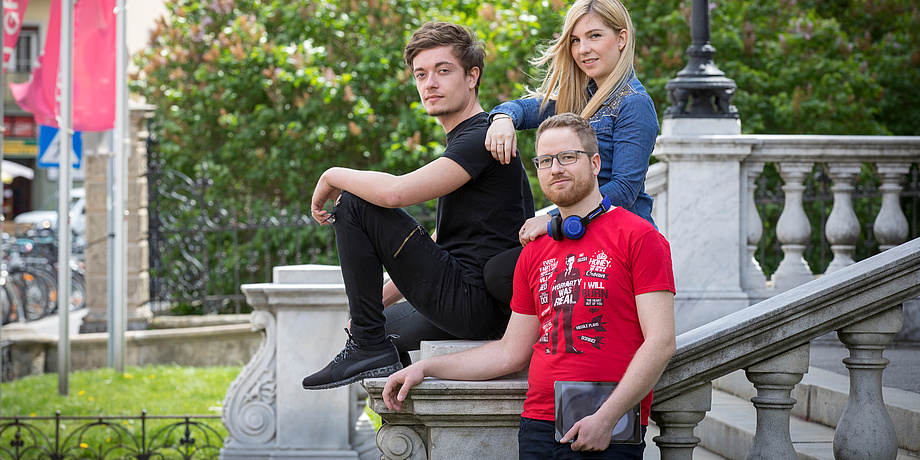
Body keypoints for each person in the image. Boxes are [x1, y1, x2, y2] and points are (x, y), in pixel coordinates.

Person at [383, 113, 676, 459]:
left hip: (606, 425)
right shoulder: (534, 252)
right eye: (546, 161)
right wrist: (425, 368)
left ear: (595, 163)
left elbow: (661, 342)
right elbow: (510, 352)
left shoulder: (640, 237)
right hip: (536, 425)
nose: (556, 169)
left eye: (568, 157)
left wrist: (607, 417)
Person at [302, 22, 535, 390]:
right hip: (463, 296)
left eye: (443, 71)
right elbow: (446, 236)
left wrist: (332, 175)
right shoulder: (468, 138)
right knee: (378, 327)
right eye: (421, 74)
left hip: (475, 300)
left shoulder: (481, 138)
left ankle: (366, 345)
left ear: (472, 76)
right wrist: (380, 297)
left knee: (355, 202)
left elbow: (394, 193)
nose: (430, 83)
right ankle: (373, 351)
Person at [482, 0, 660, 305]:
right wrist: (501, 119)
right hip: (580, 230)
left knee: (501, 273)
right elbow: (525, 109)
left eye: (594, 36)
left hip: (616, 236)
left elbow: (625, 189)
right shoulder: (579, 97)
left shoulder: (634, 104)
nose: (582, 50)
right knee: (491, 256)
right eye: (575, 40)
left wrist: (552, 221)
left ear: (621, 38)